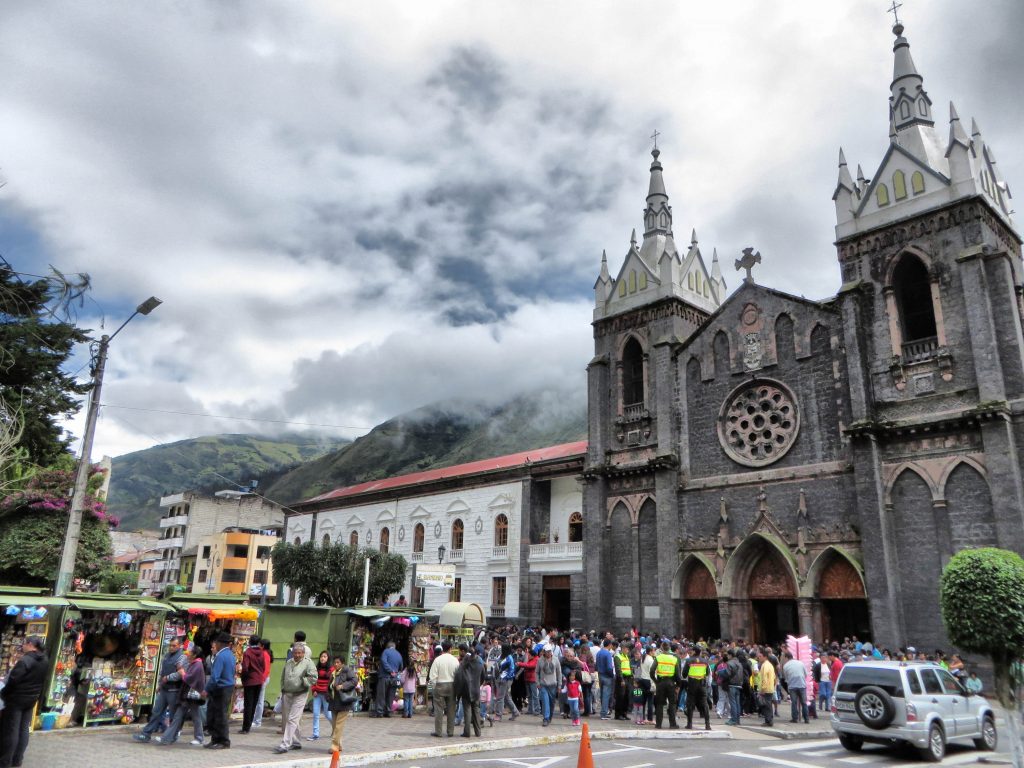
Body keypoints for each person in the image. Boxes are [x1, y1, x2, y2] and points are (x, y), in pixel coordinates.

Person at [0, 636, 48, 768]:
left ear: (31, 645)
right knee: (23, 729)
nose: (22, 646)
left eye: (24, 644)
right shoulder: (45, 660)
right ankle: (17, 760)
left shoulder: (26, 660)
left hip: (16, 699)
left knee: (12, 730)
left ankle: (5, 761)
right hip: (31, 699)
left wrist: (4, 693)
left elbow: (13, 680)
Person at [134, 637, 186, 741]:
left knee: (173, 716)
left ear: (180, 646)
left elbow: (181, 674)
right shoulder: (167, 656)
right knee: (156, 712)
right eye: (170, 645)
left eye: (174, 646)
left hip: (174, 690)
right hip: (164, 689)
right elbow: (162, 672)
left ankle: (172, 736)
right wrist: (160, 684)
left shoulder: (182, 658)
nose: (171, 648)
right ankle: (146, 734)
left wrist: (168, 678)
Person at [155, 645, 206, 746]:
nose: (188, 653)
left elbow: (190, 679)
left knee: (195, 717)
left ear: (194, 654)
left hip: (191, 697)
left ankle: (199, 738)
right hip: (186, 696)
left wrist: (182, 673)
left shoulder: (198, 665)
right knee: (178, 717)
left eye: (190, 652)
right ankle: (168, 737)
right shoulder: (193, 663)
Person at [273, 642, 318, 754]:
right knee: (290, 718)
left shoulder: (308, 663)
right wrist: (283, 688)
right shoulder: (289, 662)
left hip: (300, 694)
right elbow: (283, 676)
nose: (297, 655)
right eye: (295, 653)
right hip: (287, 693)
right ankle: (296, 742)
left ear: (303, 653)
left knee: (292, 719)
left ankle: (285, 744)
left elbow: (313, 678)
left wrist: (304, 681)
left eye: (299, 653)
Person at [204, 632, 237, 750]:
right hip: (227, 687)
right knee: (215, 714)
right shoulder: (230, 655)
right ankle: (215, 739)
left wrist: (206, 690)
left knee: (220, 716)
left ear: (219, 643)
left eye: (216, 642)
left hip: (221, 688)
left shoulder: (220, 656)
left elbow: (214, 677)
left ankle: (223, 741)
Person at [428, 641, 459, 738]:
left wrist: (433, 688)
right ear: (450, 648)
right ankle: (450, 731)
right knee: (451, 710)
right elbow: (458, 675)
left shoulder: (437, 660)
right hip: (452, 686)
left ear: (442, 649)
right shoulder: (455, 660)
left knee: (438, 710)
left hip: (439, 685)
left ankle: (438, 731)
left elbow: (432, 676)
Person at [328, 655, 358, 756]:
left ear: (342, 663)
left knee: (339, 725)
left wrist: (343, 686)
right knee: (334, 725)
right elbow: (329, 685)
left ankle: (334, 746)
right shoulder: (333, 672)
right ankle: (339, 744)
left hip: (344, 702)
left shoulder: (347, 670)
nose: (336, 664)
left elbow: (354, 681)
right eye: (335, 662)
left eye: (338, 662)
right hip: (334, 701)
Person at [240, 636, 268, 735]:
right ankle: (249, 724)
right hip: (259, 680)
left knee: (248, 704)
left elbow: (245, 668)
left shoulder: (248, 652)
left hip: (250, 681)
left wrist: (244, 678)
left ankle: (245, 727)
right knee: (254, 703)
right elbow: (264, 667)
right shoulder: (262, 652)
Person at [456, 644, 484, 737]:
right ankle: (478, 732)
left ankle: (467, 732)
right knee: (476, 711)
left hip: (466, 689)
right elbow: (483, 677)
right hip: (476, 689)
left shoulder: (465, 662)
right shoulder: (480, 662)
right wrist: (478, 684)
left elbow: (459, 675)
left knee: (467, 711)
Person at [681, 647, 712, 731]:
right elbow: (708, 673)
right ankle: (707, 725)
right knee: (704, 704)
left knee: (690, 704)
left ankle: (689, 724)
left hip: (692, 684)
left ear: (694, 651)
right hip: (702, 684)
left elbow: (684, 674)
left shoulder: (689, 661)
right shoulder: (705, 661)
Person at [653, 641, 681, 730]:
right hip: (671, 683)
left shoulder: (658, 658)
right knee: (672, 704)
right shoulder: (674, 659)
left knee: (660, 704)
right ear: (669, 648)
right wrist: (678, 685)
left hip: (661, 682)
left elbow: (651, 670)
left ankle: (658, 724)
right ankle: (672, 724)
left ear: (661, 648)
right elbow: (677, 674)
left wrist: (656, 681)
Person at [308, 650, 333, 740]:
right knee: (315, 714)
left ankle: (335, 728)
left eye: (325, 656)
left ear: (328, 658)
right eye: (321, 656)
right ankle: (315, 734)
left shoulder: (331, 669)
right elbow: (313, 680)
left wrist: (328, 692)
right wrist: (314, 690)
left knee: (328, 714)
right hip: (317, 694)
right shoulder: (316, 668)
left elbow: (331, 682)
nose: (322, 658)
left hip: (326, 695)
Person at [376, 641, 403, 718]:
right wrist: (395, 671)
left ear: (387, 646)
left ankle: (380, 712)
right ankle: (388, 711)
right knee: (391, 695)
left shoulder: (385, 651)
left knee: (381, 694)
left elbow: (383, 661)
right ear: (394, 647)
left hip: (384, 677)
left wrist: (390, 670)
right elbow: (401, 666)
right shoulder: (399, 654)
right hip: (394, 679)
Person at [493, 645, 520, 720]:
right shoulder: (500, 656)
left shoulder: (509, 658)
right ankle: (515, 712)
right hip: (499, 679)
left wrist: (505, 678)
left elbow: (511, 670)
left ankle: (498, 715)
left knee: (500, 697)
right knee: (506, 697)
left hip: (506, 680)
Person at [781, 651, 809, 724]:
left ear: (786, 657)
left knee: (794, 703)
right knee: (804, 703)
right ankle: (806, 719)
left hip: (792, 686)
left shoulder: (785, 666)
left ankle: (795, 718)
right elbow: (806, 674)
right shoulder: (800, 663)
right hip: (802, 685)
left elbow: (786, 678)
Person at [536, 646, 560, 727]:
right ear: (544, 652)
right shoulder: (540, 660)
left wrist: (559, 685)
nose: (548, 653)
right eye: (547, 651)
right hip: (543, 685)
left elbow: (559, 673)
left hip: (553, 685)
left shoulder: (556, 660)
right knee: (545, 702)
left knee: (551, 702)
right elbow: (536, 672)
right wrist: (538, 683)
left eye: (549, 651)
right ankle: (545, 718)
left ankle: (550, 716)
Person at [252, 639, 273, 729]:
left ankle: (257, 721)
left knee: (259, 701)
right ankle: (256, 720)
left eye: (259, 645)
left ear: (262, 646)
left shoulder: (265, 654)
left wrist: (261, 680)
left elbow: (266, 669)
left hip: (262, 679)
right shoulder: (266, 653)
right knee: (258, 701)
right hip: (263, 679)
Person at [596, 639, 616, 720]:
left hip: (600, 674)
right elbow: (609, 667)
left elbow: (596, 664)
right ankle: (604, 713)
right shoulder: (607, 654)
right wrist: (612, 675)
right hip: (607, 676)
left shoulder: (599, 653)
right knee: (606, 695)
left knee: (602, 694)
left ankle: (603, 711)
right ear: (610, 645)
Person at [724, 649, 744, 726]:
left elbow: (727, 674)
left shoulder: (730, 663)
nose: (727, 656)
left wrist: (721, 673)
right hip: (739, 685)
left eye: (728, 655)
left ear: (730, 655)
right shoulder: (739, 663)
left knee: (733, 703)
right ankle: (738, 720)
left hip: (732, 684)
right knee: (737, 703)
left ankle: (733, 719)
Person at [756, 650, 776, 727]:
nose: (759, 658)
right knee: (768, 705)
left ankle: (768, 721)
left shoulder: (765, 665)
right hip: (770, 688)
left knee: (766, 706)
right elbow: (774, 677)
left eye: (760, 656)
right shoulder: (770, 665)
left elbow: (764, 678)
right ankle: (769, 720)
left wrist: (762, 689)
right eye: (759, 656)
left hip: (766, 689)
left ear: (765, 657)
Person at [517, 647, 539, 715]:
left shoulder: (536, 659)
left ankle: (537, 710)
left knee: (535, 695)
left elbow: (530, 666)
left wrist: (520, 664)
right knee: (529, 696)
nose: (528, 656)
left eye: (529, 655)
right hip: (528, 679)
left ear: (532, 655)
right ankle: (530, 710)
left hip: (533, 680)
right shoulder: (530, 659)